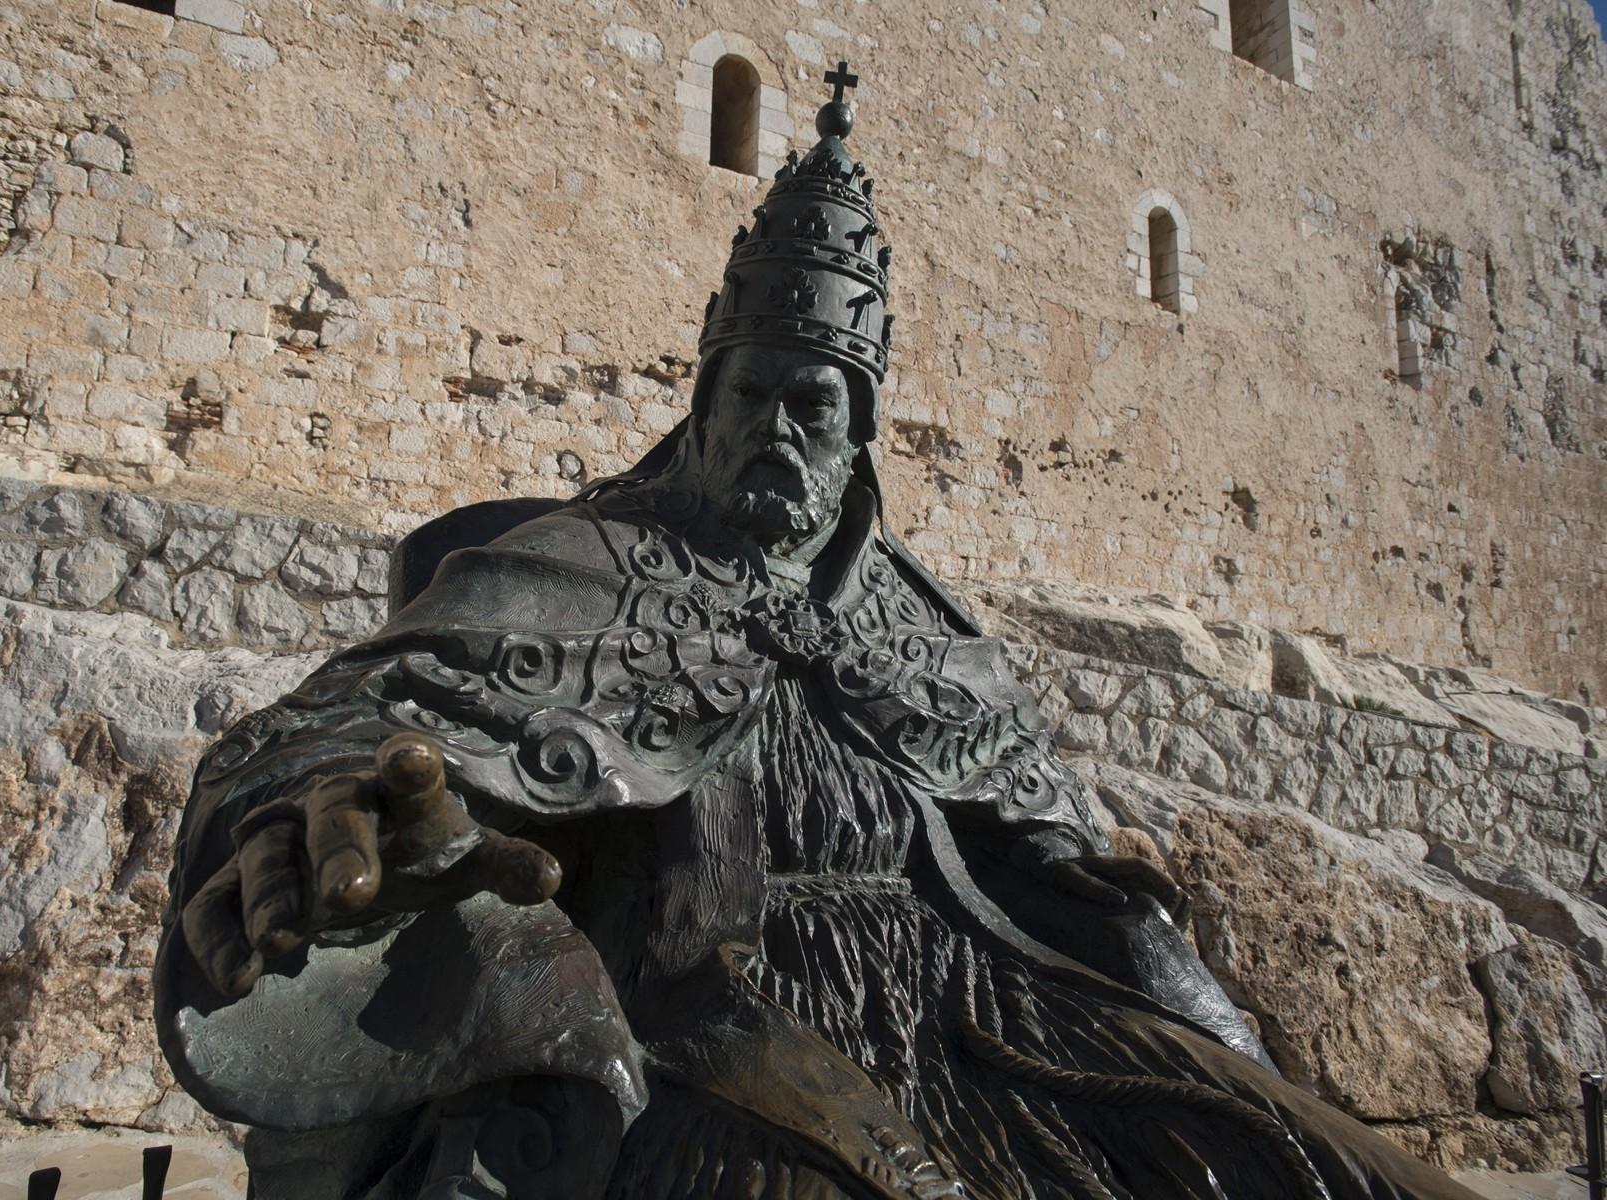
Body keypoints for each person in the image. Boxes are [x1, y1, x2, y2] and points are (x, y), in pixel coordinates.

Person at [156, 64, 1482, 1200]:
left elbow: (1073, 874)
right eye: (763, 394)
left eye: (822, 407)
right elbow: (336, 733)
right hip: (715, 1021)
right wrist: (300, 809)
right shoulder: (577, 566)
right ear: (706, 396)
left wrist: (1219, 1043)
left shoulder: (922, 622)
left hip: (996, 1019)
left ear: (862, 437)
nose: (787, 430)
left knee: (1316, 1165)